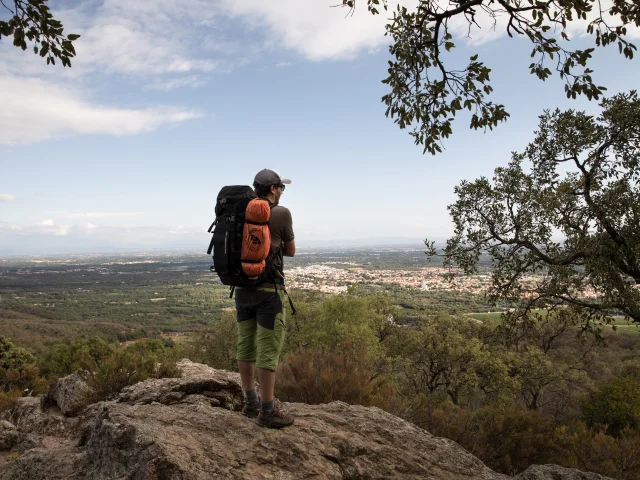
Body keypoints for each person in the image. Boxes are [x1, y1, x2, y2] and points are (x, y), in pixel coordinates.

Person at [236, 168, 296, 428]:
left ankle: (251, 402)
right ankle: (268, 409)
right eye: (281, 187)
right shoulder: (281, 213)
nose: (282, 191)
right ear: (273, 189)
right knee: (268, 350)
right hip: (269, 292)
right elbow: (290, 252)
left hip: (242, 290)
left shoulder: (240, 211)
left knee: (246, 345)